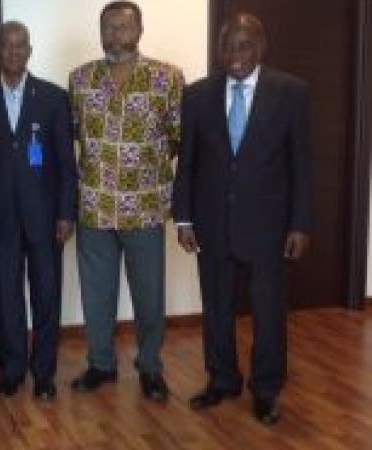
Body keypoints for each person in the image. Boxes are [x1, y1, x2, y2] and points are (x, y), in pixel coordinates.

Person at [173, 13, 313, 425]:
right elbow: (188, 164)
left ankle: (266, 389)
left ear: (260, 47)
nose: (235, 55)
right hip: (212, 222)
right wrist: (183, 219)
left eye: (244, 45)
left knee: (269, 313)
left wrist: (300, 223)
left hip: (268, 226)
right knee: (216, 306)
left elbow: (301, 164)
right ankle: (222, 379)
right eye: (228, 46)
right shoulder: (197, 96)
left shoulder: (290, 92)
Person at [68, 1, 184, 402]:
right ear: (100, 32)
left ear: (140, 30)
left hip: (145, 208)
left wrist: (145, 170)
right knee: (96, 294)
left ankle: (150, 366)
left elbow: (177, 137)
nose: (116, 34)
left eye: (124, 26)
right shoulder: (80, 79)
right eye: (109, 27)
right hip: (95, 207)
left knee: (149, 294)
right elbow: (74, 136)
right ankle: (101, 364)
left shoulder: (166, 79)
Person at [0, 21, 76, 400]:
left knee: (46, 297)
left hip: (46, 220)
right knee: (7, 297)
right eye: (7, 46)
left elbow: (66, 163)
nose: (14, 52)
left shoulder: (53, 98)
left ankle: (44, 373)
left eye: (21, 46)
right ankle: (13, 369)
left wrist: (66, 213)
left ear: (29, 51)